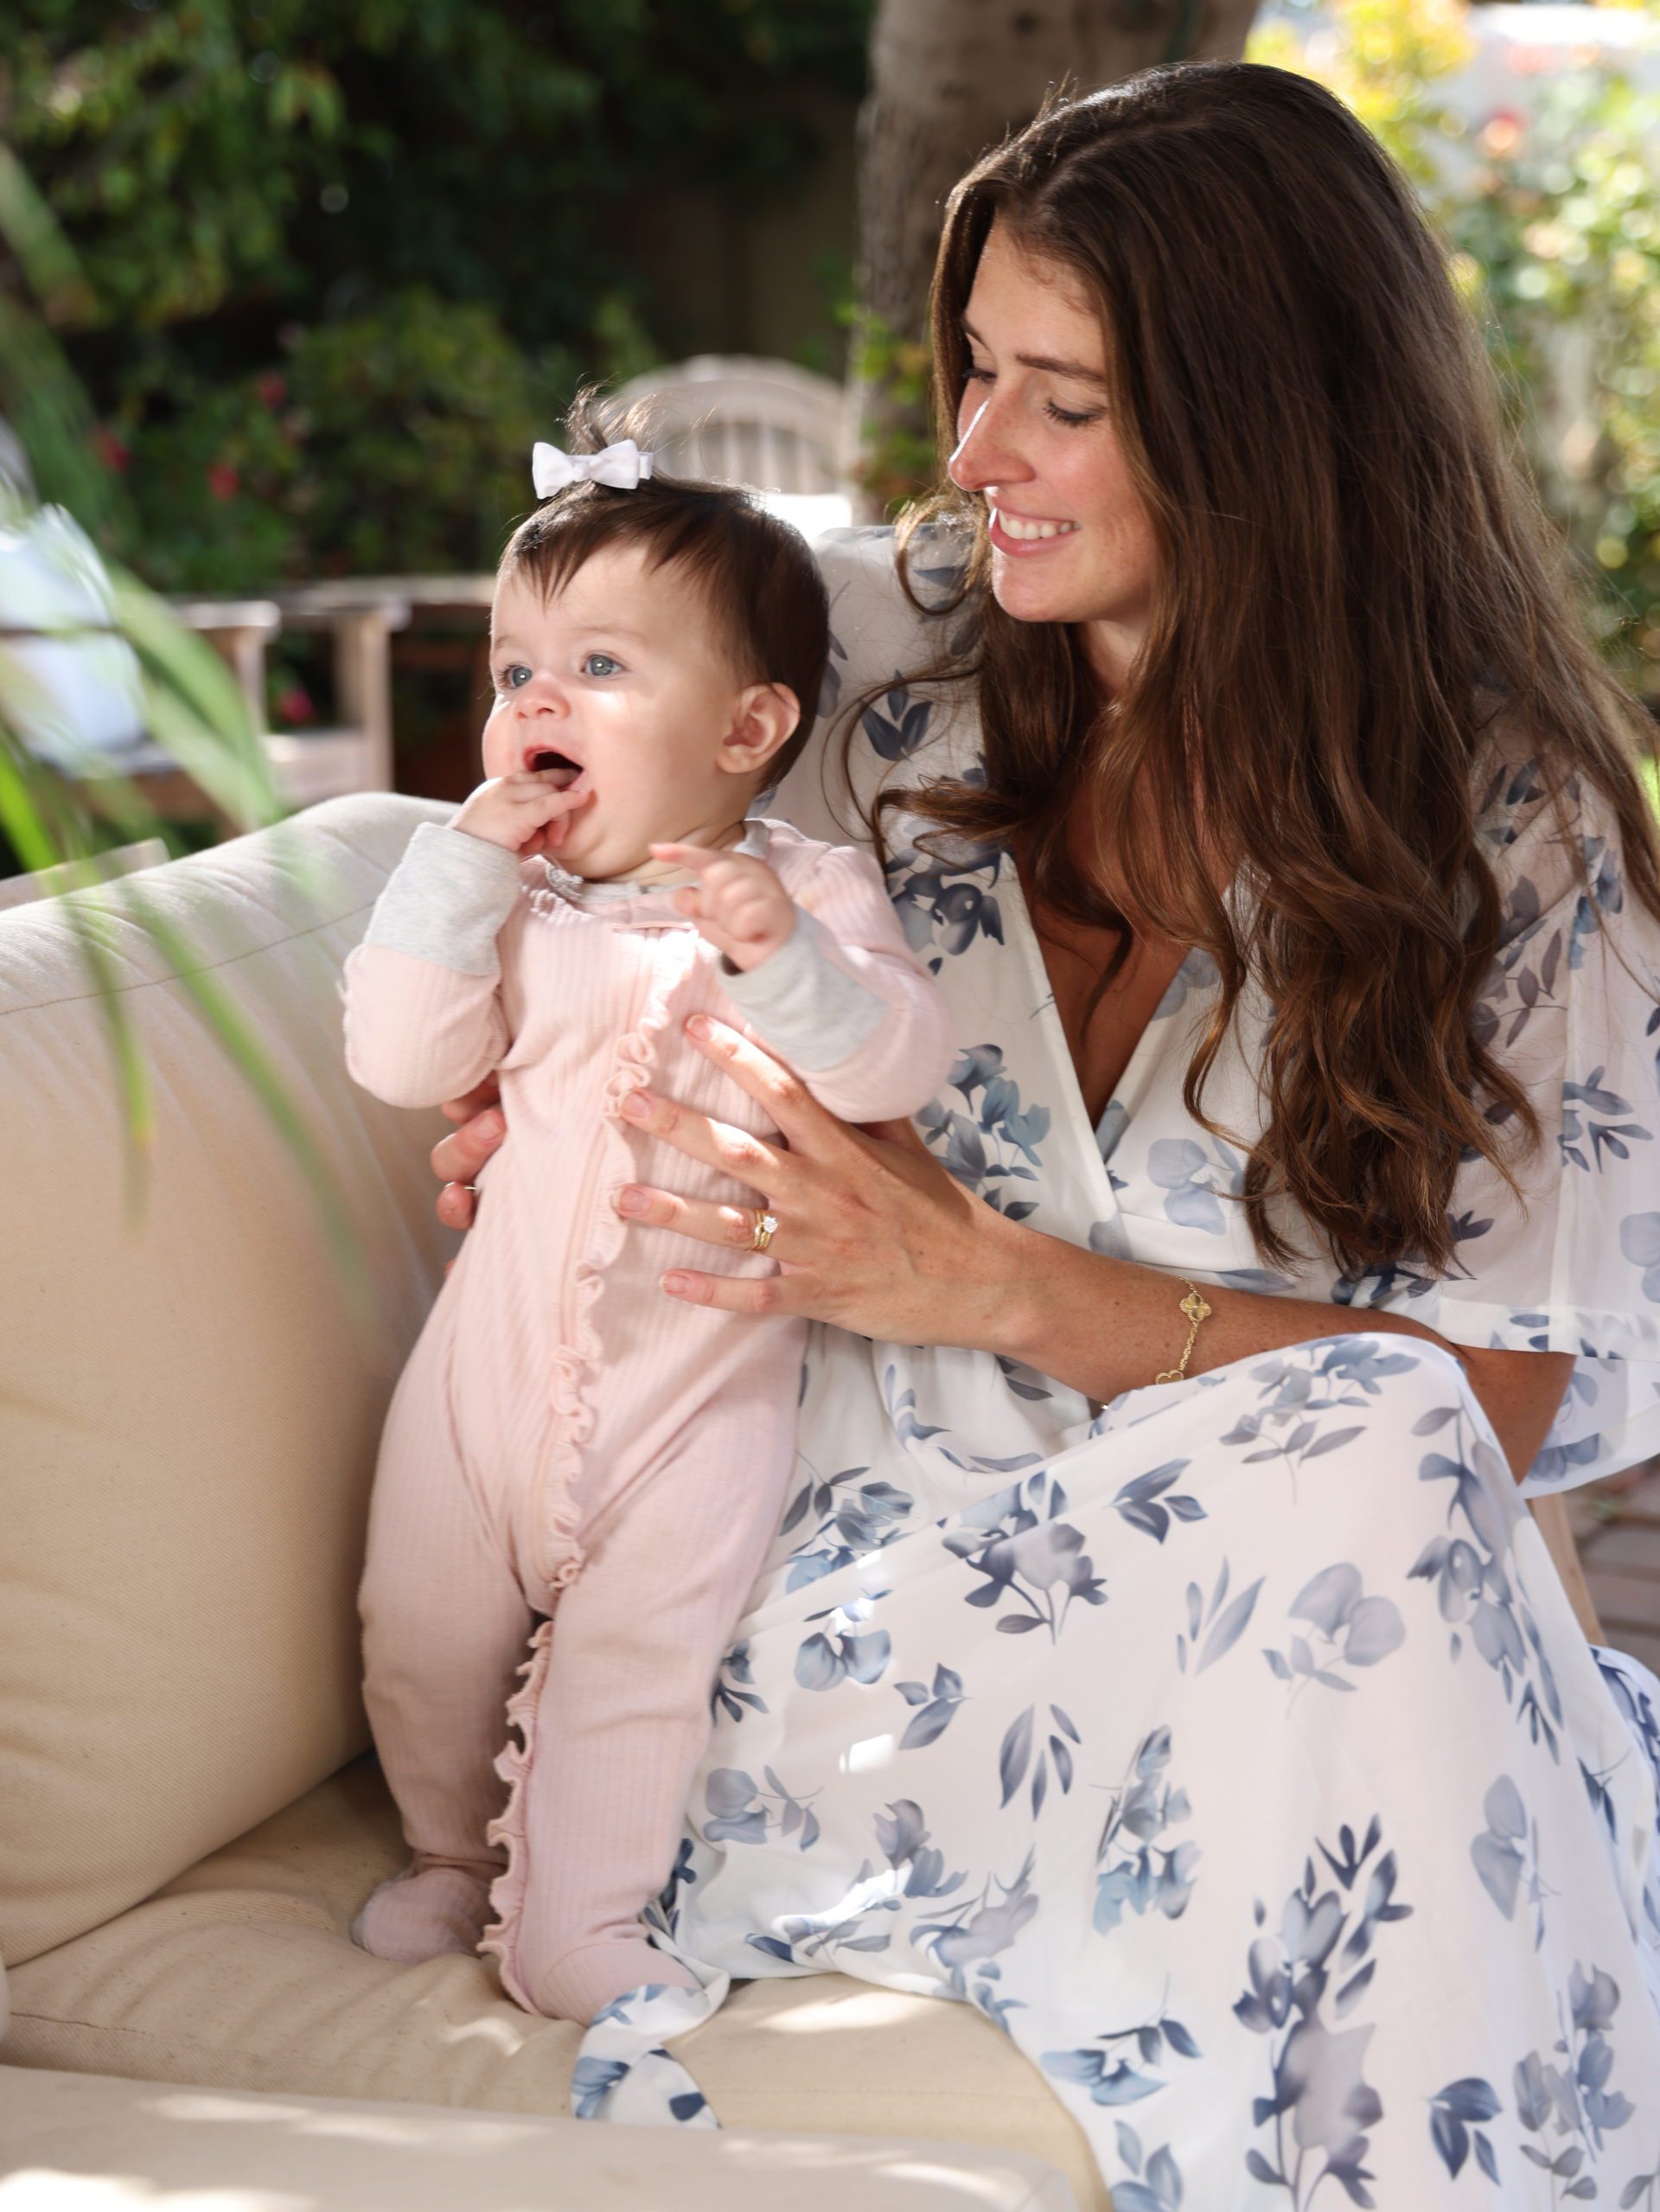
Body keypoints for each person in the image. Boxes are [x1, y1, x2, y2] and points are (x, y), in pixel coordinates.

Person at [424, 62, 1660, 2203]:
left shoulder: (1515, 836)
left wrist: (1004, 1286)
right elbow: (566, 727)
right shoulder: (869, 656)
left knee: (1388, 1454)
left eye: (1062, 400)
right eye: (977, 367)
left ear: (1268, 430)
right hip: (835, 1623)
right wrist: (512, 1033)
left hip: (1277, 1631)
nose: (977, 449)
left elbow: (1512, 1401)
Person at [339, 430, 954, 2029]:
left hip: (701, 1392)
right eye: (514, 668)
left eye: (599, 666)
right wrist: (456, 869)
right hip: (479, 1379)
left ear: (748, 728)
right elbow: (398, 1057)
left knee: (639, 1662)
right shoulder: (509, 905)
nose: (536, 701)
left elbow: (891, 1064)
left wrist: (778, 960)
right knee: (423, 1625)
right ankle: (447, 1851)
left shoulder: (803, 894)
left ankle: (581, 1920)